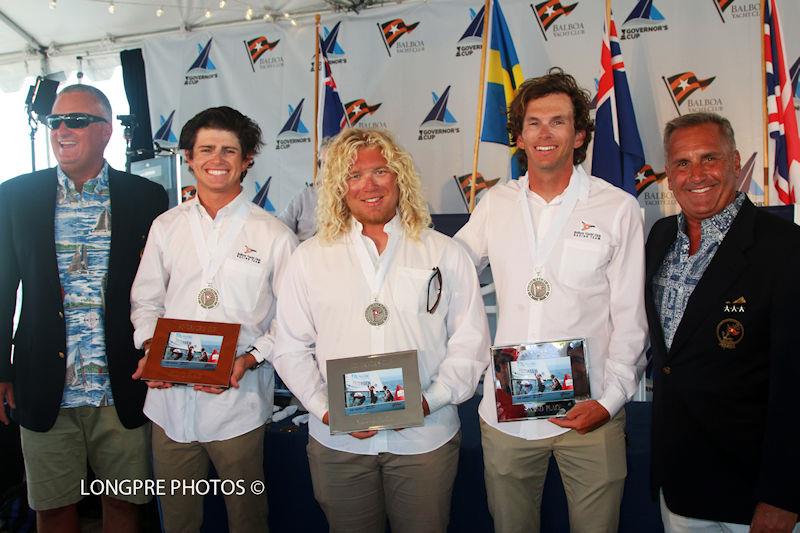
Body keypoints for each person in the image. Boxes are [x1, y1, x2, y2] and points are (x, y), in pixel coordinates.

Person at [455, 68, 648, 533]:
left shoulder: (617, 208)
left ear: (579, 134)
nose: (545, 134)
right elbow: (446, 270)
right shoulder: (494, 204)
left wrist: (610, 400)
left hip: (592, 413)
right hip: (508, 418)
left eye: (558, 122)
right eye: (533, 123)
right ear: (519, 137)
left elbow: (631, 320)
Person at [273, 128, 490, 533]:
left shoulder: (444, 252)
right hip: (338, 444)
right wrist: (326, 409)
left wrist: (429, 402)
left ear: (400, 177)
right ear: (338, 186)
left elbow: (470, 344)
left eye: (380, 171)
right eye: (354, 176)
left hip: (425, 438)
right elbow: (289, 347)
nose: (368, 186)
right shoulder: (309, 259)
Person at [0, 84, 167, 533]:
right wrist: (1, 368)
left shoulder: (146, 198)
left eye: (76, 120)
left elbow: (162, 290)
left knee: (123, 505)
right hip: (42, 381)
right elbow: (2, 289)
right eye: (55, 122)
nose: (62, 131)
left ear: (106, 132)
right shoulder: (15, 195)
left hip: (121, 380)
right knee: (52, 508)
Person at [130, 106, 297, 533]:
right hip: (169, 406)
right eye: (206, 149)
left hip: (237, 403)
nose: (216, 159)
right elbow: (146, 300)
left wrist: (252, 359)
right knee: (180, 521)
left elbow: (293, 319)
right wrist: (152, 349)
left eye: (229, 150)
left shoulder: (274, 234)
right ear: (188, 157)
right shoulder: (166, 227)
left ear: (247, 160)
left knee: (247, 520)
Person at [646, 112, 800, 532]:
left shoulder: (786, 249)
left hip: (753, 496)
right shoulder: (659, 238)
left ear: (735, 163)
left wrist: (783, 497)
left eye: (708, 158)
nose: (696, 174)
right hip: (680, 486)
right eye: (681, 163)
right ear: (668, 176)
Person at [277, 137, 332, 241]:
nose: (325, 169)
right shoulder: (305, 196)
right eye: (322, 163)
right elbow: (279, 228)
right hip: (302, 252)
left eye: (330, 164)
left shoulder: (352, 198)